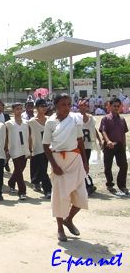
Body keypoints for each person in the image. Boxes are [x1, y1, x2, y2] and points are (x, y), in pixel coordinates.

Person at [43, 93, 89, 242]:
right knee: (60, 197)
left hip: (75, 160)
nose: (67, 107)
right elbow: (46, 146)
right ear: (56, 105)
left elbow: (80, 141)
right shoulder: (50, 122)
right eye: (63, 104)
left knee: (81, 196)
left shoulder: (75, 119)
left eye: (69, 104)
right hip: (59, 162)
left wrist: (85, 161)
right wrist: (54, 165)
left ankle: (68, 219)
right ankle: (60, 228)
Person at [99, 97, 129, 196]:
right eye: (114, 106)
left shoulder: (122, 119)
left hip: (120, 145)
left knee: (124, 166)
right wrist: (108, 141)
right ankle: (110, 184)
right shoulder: (105, 119)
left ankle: (122, 185)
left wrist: (124, 145)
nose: (116, 108)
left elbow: (123, 133)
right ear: (110, 107)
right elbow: (103, 131)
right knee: (108, 166)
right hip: (109, 146)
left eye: (118, 106)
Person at [6, 103, 31, 200]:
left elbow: (29, 136)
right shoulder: (9, 123)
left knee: (20, 169)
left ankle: (11, 182)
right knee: (19, 171)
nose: (19, 111)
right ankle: (22, 191)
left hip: (24, 148)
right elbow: (6, 137)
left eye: (21, 109)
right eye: (17, 109)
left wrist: (30, 148)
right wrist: (6, 149)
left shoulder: (26, 122)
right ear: (13, 110)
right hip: (14, 149)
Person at [28, 99, 52, 198]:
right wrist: (29, 149)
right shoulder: (32, 122)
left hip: (49, 148)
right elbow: (29, 136)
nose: (44, 108)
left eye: (45, 106)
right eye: (42, 106)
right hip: (38, 148)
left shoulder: (50, 120)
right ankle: (48, 190)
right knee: (42, 169)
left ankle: (36, 181)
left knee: (43, 168)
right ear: (37, 108)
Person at [78, 100, 102, 195]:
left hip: (87, 145)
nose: (83, 107)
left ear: (87, 107)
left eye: (85, 105)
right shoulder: (75, 118)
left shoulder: (91, 118)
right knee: (80, 165)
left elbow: (93, 129)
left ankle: (88, 185)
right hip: (78, 145)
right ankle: (87, 185)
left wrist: (99, 139)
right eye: (81, 106)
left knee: (85, 164)